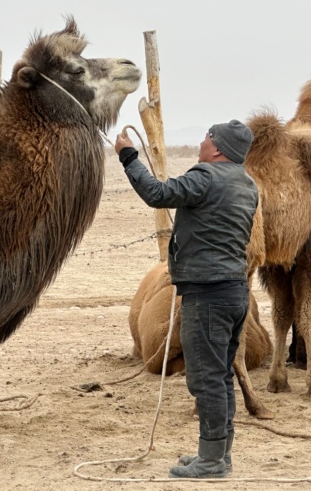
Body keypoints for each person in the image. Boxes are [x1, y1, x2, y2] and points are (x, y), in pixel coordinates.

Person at [114, 120, 258, 479]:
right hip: (235, 291)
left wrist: (127, 156)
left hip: (207, 294)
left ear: (218, 149)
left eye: (207, 137)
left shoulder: (206, 177)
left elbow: (157, 195)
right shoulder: (247, 184)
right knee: (221, 375)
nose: (201, 142)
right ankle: (218, 454)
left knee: (206, 378)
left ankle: (210, 462)